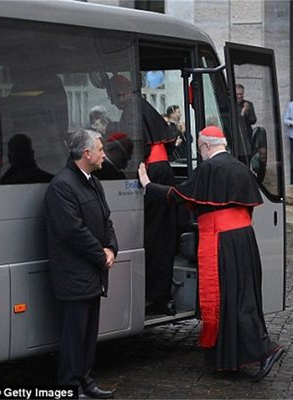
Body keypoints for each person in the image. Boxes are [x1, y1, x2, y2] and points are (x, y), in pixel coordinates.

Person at [138, 126, 284, 381]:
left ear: (205, 146)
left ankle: (266, 349)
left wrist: (149, 185)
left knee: (229, 300)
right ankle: (231, 359)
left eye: (200, 150)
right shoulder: (240, 167)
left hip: (221, 240)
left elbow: (179, 195)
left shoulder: (209, 168)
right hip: (243, 239)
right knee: (239, 297)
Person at [44, 129, 118, 399]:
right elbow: (72, 231)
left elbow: (106, 219)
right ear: (86, 154)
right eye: (100, 150)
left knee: (88, 335)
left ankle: (85, 381)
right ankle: (70, 386)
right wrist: (101, 256)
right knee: (73, 336)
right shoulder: (62, 186)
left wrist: (111, 247)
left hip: (91, 272)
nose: (104, 155)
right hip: (74, 274)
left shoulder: (93, 183)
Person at [108, 74, 177, 316]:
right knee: (161, 235)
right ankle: (160, 294)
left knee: (152, 236)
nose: (114, 101)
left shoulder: (131, 109)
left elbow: (129, 149)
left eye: (113, 96)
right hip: (162, 170)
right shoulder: (143, 105)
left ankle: (156, 295)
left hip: (151, 173)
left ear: (121, 93)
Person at [235, 83, 257, 165]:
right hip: (235, 138)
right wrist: (242, 113)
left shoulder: (248, 104)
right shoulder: (230, 104)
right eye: (237, 94)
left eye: (241, 94)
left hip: (246, 137)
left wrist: (247, 112)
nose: (239, 96)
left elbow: (253, 120)